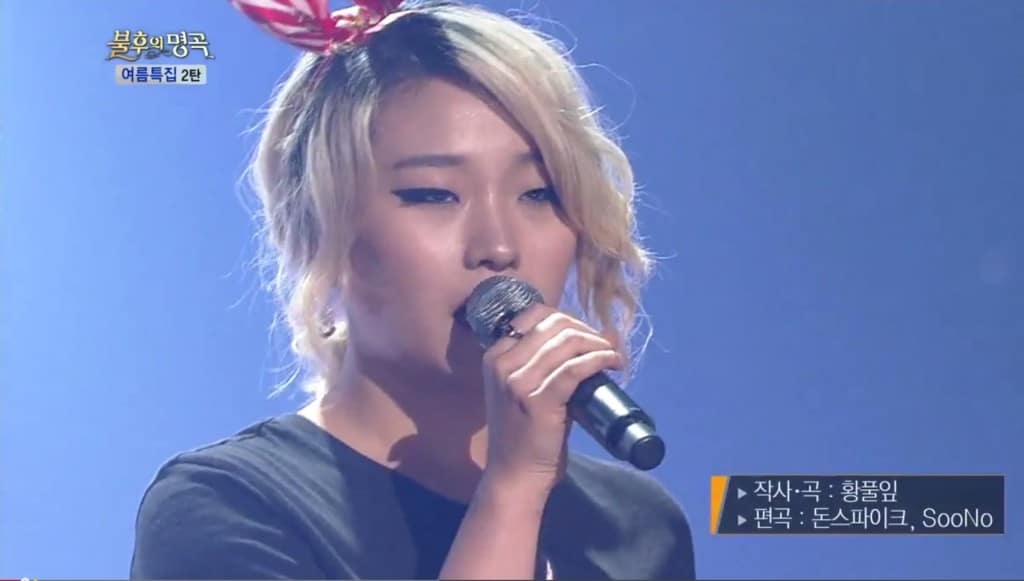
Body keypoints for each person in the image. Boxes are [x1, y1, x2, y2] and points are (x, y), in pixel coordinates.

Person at [129, 0, 696, 579]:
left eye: (538, 193)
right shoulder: (231, 508)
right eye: (434, 194)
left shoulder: (634, 527)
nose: (499, 246)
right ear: (320, 225)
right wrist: (513, 491)